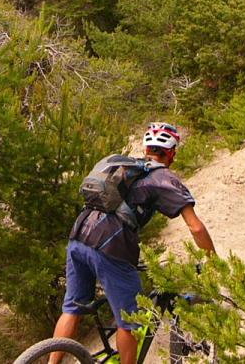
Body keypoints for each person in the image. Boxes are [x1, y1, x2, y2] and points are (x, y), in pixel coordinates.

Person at [50, 122, 215, 364]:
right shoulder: (163, 177)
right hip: (111, 244)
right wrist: (213, 260)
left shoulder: (125, 168)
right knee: (129, 321)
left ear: (147, 147)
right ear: (172, 153)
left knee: (72, 309)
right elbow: (196, 226)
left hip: (79, 234)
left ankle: (51, 361)